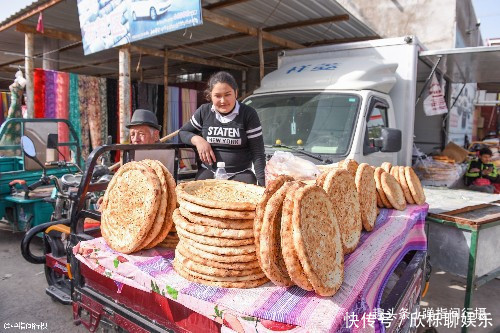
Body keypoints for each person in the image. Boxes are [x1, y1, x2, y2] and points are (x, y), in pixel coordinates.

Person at [179, 71, 266, 186]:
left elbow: (258, 152)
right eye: (217, 96)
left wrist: (263, 184)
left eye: (227, 94)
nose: (223, 101)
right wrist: (198, 140)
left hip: (241, 173)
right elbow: (183, 132)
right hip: (209, 171)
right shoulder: (204, 111)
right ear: (210, 95)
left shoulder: (248, 114)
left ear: (236, 93)